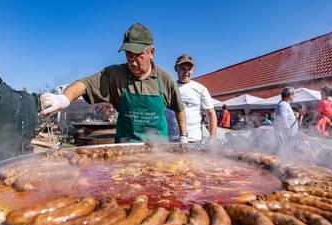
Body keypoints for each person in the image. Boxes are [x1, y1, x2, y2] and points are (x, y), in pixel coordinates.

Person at [40, 23, 187, 143]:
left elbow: (179, 109)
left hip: (158, 151)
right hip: (125, 148)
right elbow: (84, 84)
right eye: (129, 55)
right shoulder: (115, 75)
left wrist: (184, 137)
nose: (133, 61)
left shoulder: (165, 79)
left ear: (152, 52)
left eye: (139, 56)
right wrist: (63, 99)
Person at [166, 54, 217, 143]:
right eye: (182, 68)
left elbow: (211, 114)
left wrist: (212, 139)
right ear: (175, 68)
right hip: (171, 137)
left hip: (193, 139)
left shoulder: (201, 89)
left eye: (189, 69)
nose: (186, 72)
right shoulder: (167, 87)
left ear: (193, 69)